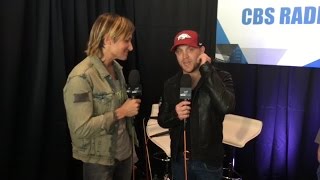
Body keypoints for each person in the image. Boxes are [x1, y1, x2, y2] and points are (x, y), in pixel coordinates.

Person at [63, 13, 141, 180]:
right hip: (100, 162)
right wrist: (121, 112)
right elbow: (81, 129)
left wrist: (131, 154)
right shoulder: (81, 77)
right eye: (126, 40)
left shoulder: (117, 69)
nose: (131, 47)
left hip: (124, 155)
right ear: (107, 40)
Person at [158, 30, 236, 180]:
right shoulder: (171, 84)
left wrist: (206, 69)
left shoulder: (221, 78)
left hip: (208, 165)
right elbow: (162, 119)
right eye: (179, 52)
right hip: (179, 162)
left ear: (202, 50)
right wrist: (175, 114)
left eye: (190, 50)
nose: (185, 57)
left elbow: (227, 106)